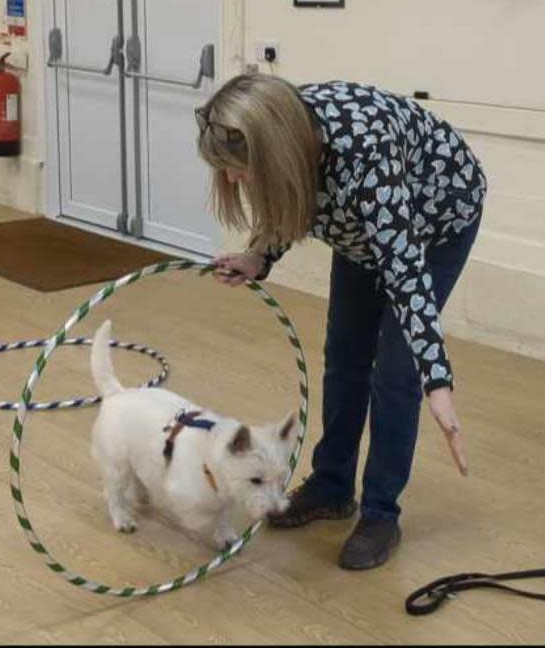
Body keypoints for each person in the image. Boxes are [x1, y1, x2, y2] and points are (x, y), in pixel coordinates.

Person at [195, 74, 487, 570]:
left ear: (271, 155)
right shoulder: (283, 125)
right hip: (360, 231)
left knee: (396, 373)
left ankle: (380, 512)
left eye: (237, 170)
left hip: (434, 227)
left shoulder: (364, 154)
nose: (233, 181)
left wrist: (437, 381)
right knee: (344, 353)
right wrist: (259, 259)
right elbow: (294, 198)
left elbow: (406, 271)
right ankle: (332, 486)